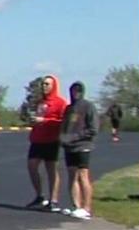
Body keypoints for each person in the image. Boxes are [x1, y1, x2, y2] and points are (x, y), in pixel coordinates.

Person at [26, 75, 66, 212]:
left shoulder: (60, 103)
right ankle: (39, 195)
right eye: (43, 84)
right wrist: (33, 121)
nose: (45, 86)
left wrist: (46, 120)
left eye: (48, 84)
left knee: (51, 169)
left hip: (52, 139)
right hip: (37, 138)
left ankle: (53, 200)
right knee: (32, 166)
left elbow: (63, 121)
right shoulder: (39, 102)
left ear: (54, 85)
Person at [60, 81, 98, 220]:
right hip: (69, 146)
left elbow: (93, 129)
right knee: (72, 175)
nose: (75, 93)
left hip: (83, 145)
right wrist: (63, 137)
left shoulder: (88, 106)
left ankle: (86, 208)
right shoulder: (69, 108)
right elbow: (65, 125)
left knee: (83, 175)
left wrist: (76, 137)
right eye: (73, 91)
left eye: (78, 91)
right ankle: (76, 206)